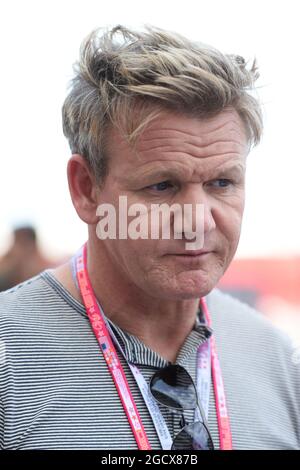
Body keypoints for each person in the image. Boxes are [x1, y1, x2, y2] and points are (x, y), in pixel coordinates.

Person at [0, 25, 299, 451]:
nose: (198, 221)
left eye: (221, 182)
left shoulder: (276, 359)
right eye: (161, 186)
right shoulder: (10, 360)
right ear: (86, 189)